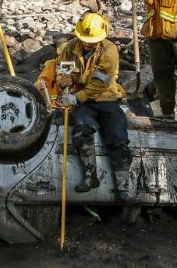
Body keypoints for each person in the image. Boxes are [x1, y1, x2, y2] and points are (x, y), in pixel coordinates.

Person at [48, 12, 132, 201]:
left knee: (118, 138)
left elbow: (100, 84)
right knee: (81, 130)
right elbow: (62, 69)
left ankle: (122, 187)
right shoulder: (70, 48)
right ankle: (90, 177)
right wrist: (63, 81)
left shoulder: (109, 50)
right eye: (85, 40)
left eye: (91, 41)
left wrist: (76, 98)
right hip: (83, 101)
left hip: (106, 99)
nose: (87, 44)